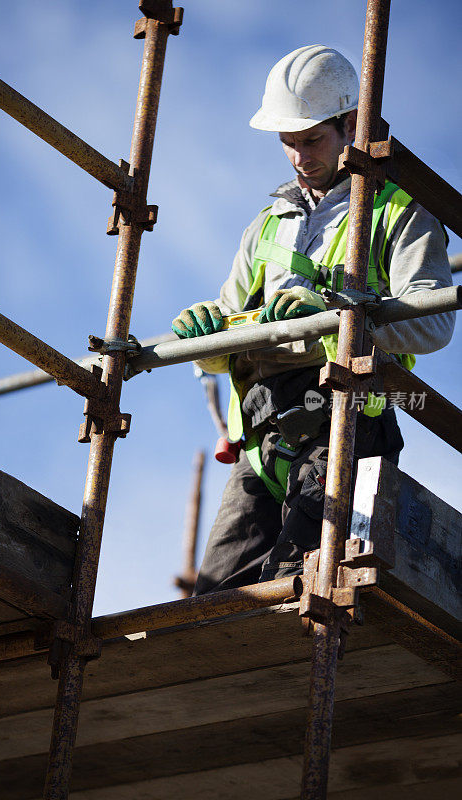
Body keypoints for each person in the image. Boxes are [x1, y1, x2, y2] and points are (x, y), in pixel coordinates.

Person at [171, 45, 455, 595]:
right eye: (288, 143)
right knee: (211, 601)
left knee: (294, 590)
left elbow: (434, 322)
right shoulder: (265, 226)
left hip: (346, 418)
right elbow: (227, 339)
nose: (300, 157)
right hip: (263, 436)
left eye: (312, 140)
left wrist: (335, 317)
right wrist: (205, 335)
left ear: (350, 124)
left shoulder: (398, 212)